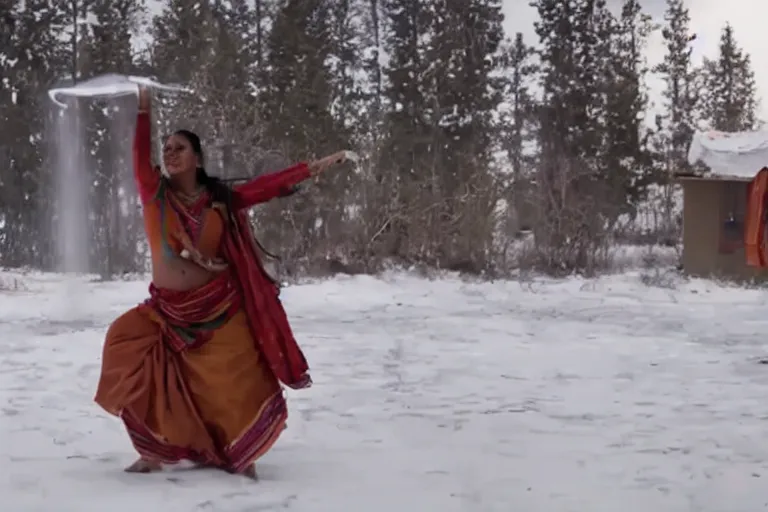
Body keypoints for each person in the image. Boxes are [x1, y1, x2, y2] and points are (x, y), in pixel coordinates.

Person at [94, 86, 349, 479]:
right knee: (125, 346)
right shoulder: (154, 195)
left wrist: (310, 168)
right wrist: (144, 106)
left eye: (179, 147)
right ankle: (152, 451)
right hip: (167, 309)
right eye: (167, 148)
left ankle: (241, 454)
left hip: (218, 306)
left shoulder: (219, 200)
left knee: (236, 381)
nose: (170, 153)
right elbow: (139, 156)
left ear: (197, 158)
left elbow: (265, 187)